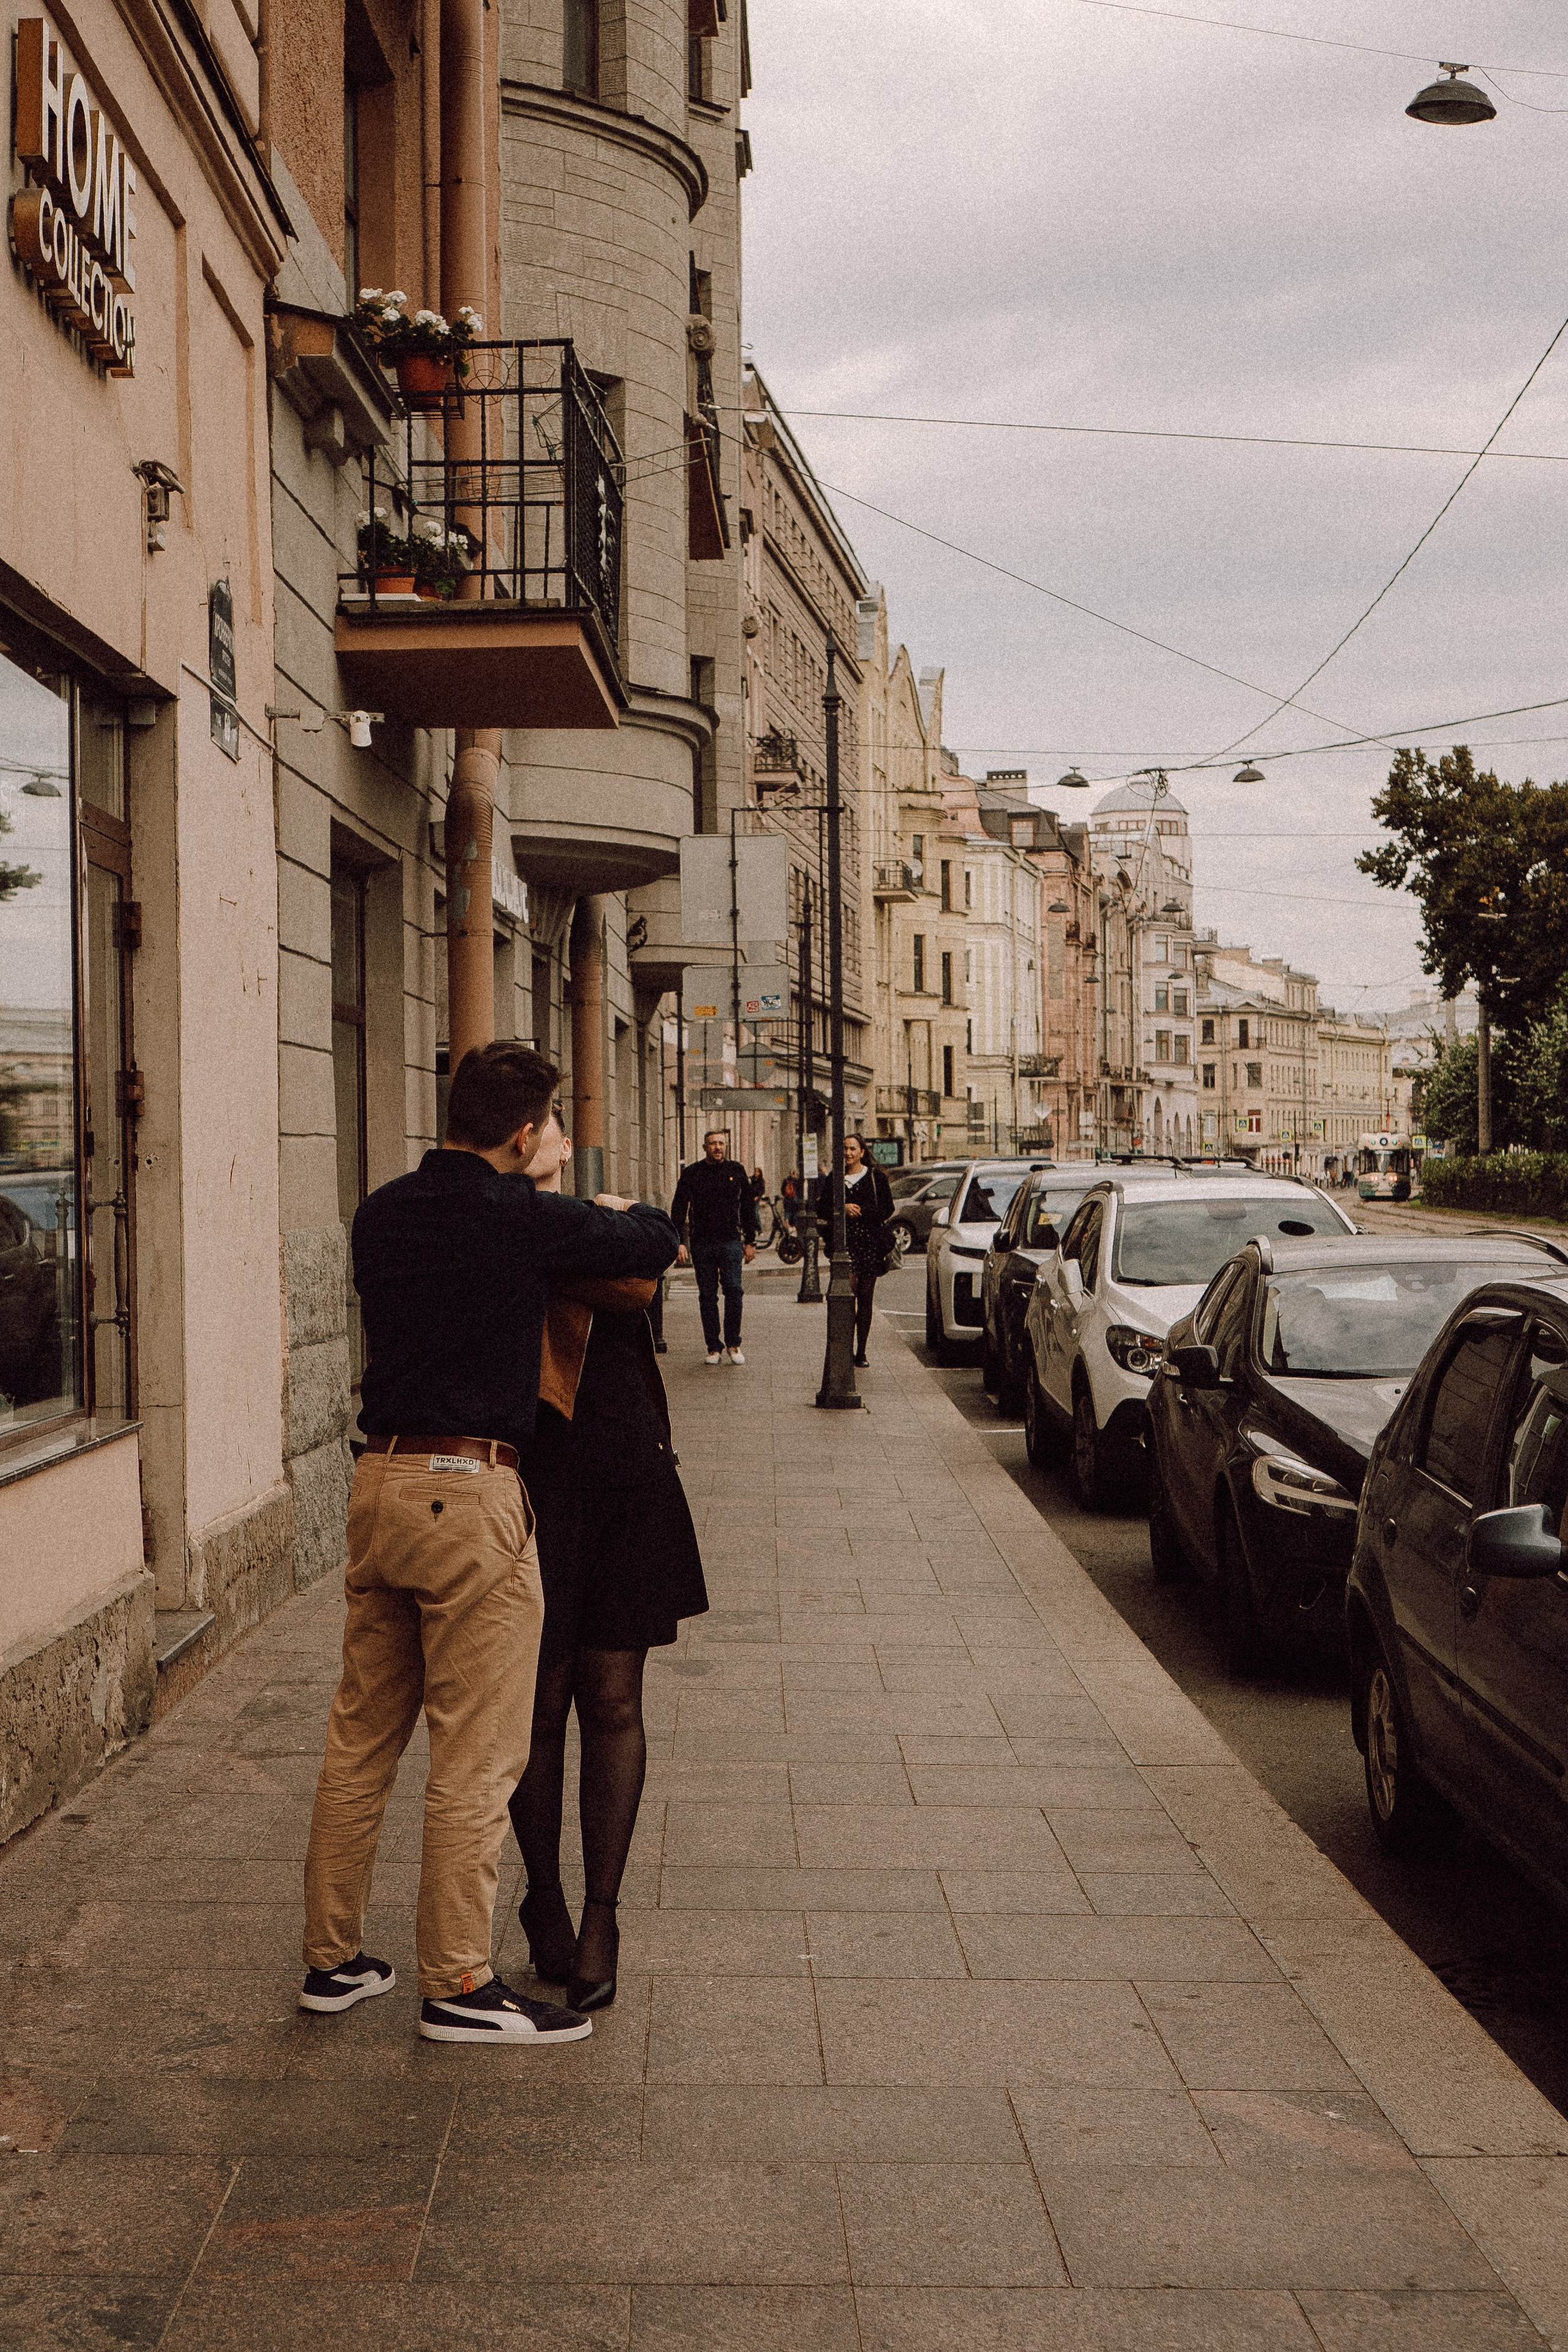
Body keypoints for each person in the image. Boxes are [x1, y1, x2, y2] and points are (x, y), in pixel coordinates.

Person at [299, 1042, 678, 2047]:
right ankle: (460, 1983)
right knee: (479, 1750)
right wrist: (604, 1211)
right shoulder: (514, 1215)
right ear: (523, 1135)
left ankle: (332, 1959)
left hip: (378, 1480)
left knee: (360, 1738)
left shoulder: (382, 1210)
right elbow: (655, 1240)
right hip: (467, 1493)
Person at [507, 1109, 707, 2013]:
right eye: (549, 1122)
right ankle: (542, 1894)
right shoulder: (509, 1225)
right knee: (540, 1704)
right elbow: (635, 1268)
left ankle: (600, 1916)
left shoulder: (595, 1218)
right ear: (521, 1139)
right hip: (535, 1483)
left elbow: (646, 1269)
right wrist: (631, 1234)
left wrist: (633, 1232)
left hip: (628, 1480)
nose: (559, 1132)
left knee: (614, 1698)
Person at [670, 1128, 757, 1365]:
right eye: (712, 1143)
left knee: (734, 1291)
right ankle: (713, 1347)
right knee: (707, 1296)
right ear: (704, 1147)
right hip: (702, 1243)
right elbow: (679, 1209)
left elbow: (748, 1207)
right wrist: (679, 1242)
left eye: (721, 1143)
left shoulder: (736, 1171)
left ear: (725, 1146)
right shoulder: (692, 1173)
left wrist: (750, 1241)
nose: (717, 1147)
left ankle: (733, 1343)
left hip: (730, 1241)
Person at [815, 1132, 895, 1368]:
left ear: (862, 1152)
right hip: (844, 1245)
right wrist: (842, 1207)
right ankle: (845, 1348)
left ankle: (862, 1351)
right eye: (845, 1149)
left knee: (865, 1298)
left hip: (870, 1244)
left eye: (852, 1149)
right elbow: (822, 1209)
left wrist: (862, 1211)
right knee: (845, 1297)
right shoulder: (834, 1179)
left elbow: (887, 1208)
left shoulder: (875, 1178)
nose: (848, 1153)